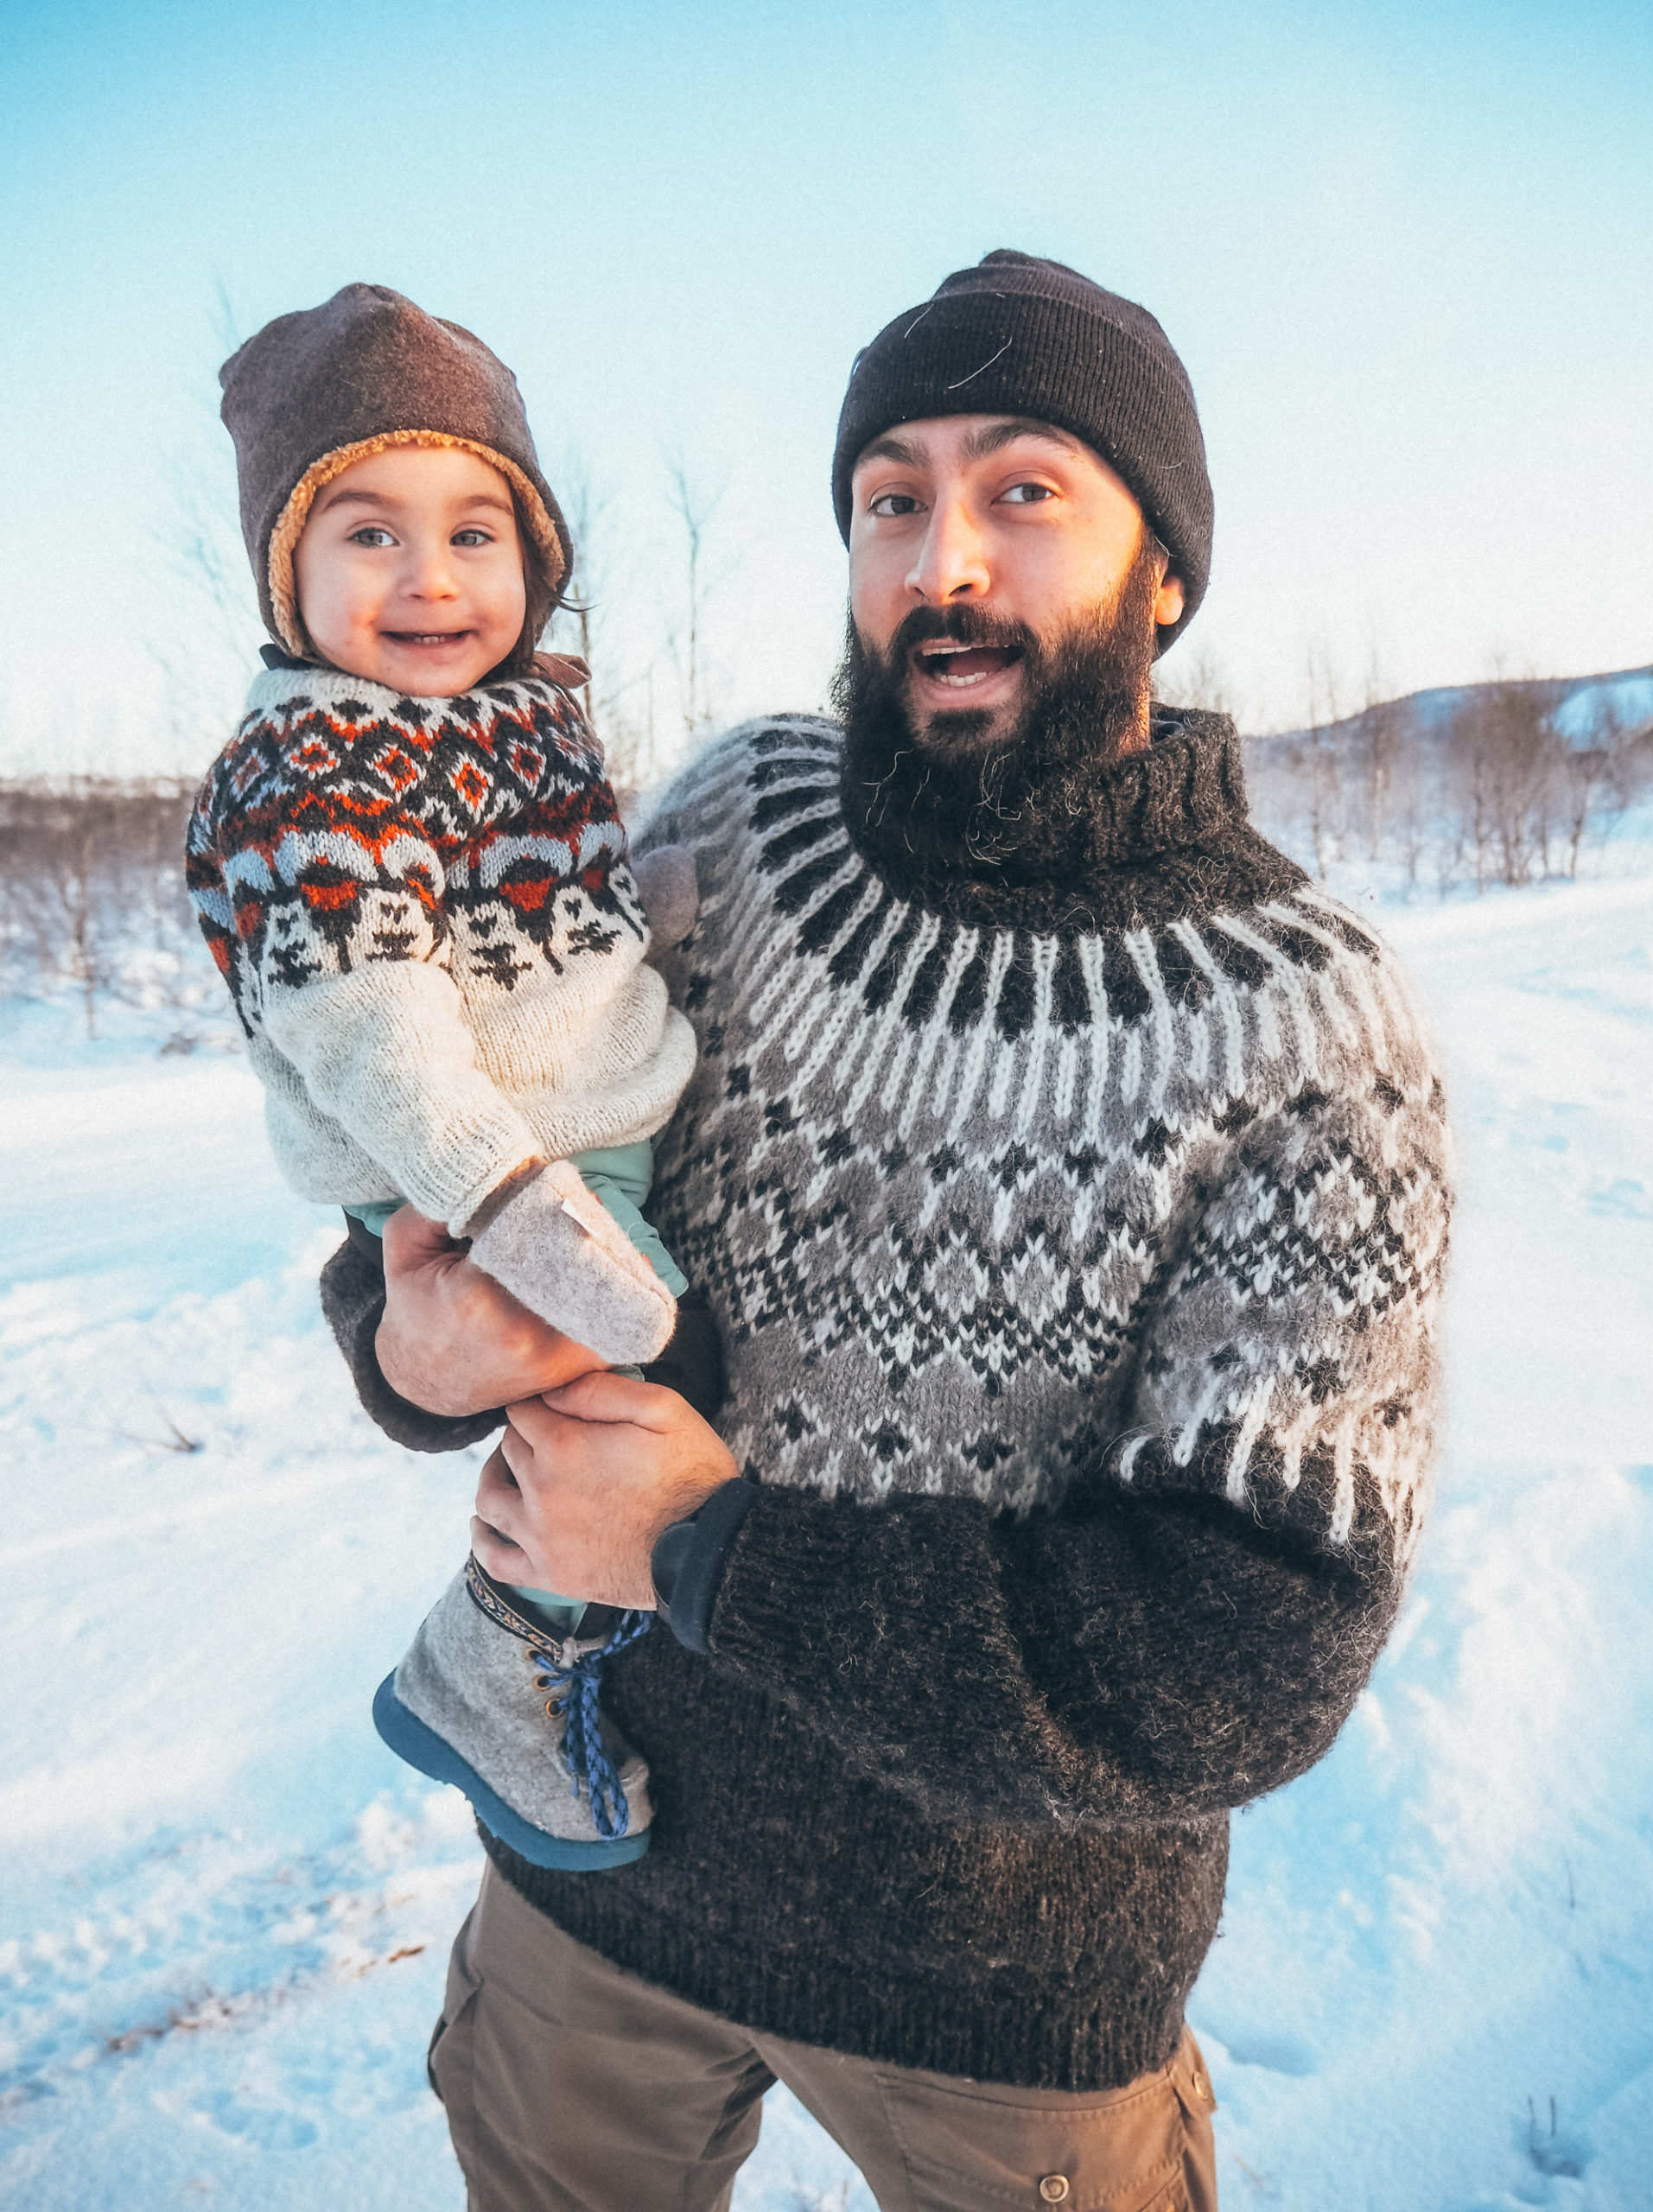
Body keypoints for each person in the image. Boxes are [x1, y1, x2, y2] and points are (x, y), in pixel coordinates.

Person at [322, 251, 1453, 2212]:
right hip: (597, 1867)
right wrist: (404, 1346)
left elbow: (1247, 1641)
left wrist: (703, 1543)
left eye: (1025, 490)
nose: (944, 559)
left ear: (1163, 568)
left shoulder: (1307, 1023)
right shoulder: (728, 825)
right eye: (891, 499)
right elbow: (454, 1144)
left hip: (1001, 1995)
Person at [186, 283, 715, 1872]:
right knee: (635, 1388)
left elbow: (553, 912)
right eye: (368, 534)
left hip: (562, 1132)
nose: (431, 579)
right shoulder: (311, 768)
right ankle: (498, 1659)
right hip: (491, 1169)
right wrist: (512, 1200)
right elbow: (371, 1019)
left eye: (476, 532)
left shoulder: (505, 729)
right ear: (289, 571)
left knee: (623, 1392)